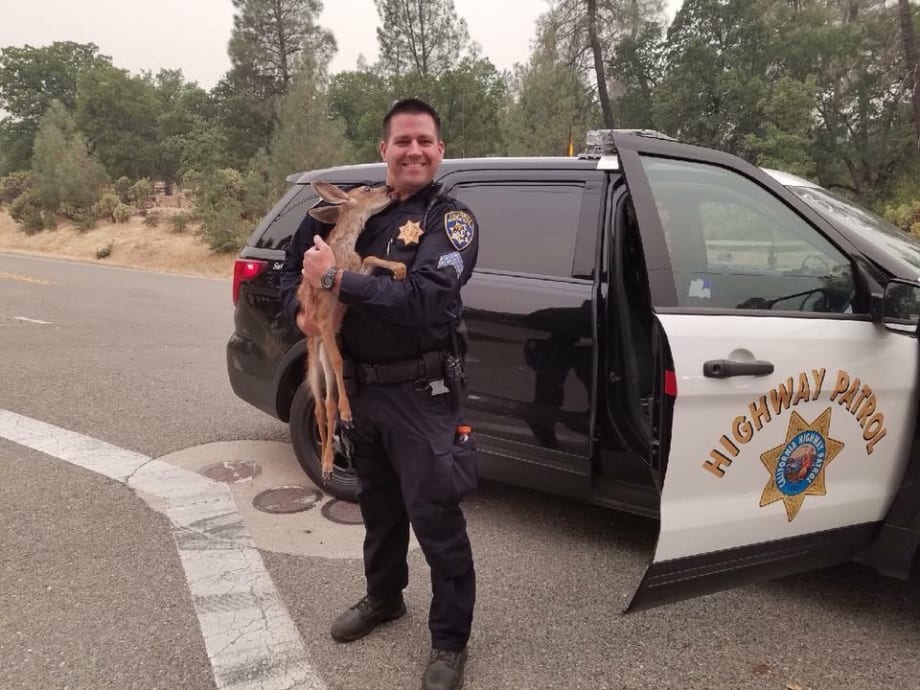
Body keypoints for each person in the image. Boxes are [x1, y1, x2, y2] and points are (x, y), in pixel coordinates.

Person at [280, 97, 479, 690]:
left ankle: (449, 640)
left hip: (421, 392)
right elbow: (295, 262)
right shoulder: (355, 209)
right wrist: (304, 308)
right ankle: (384, 597)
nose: (413, 151)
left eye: (424, 141)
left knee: (436, 516)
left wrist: (336, 280)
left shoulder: (451, 221)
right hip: (360, 390)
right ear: (384, 150)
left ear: (440, 150)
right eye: (402, 141)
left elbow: (425, 299)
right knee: (380, 508)